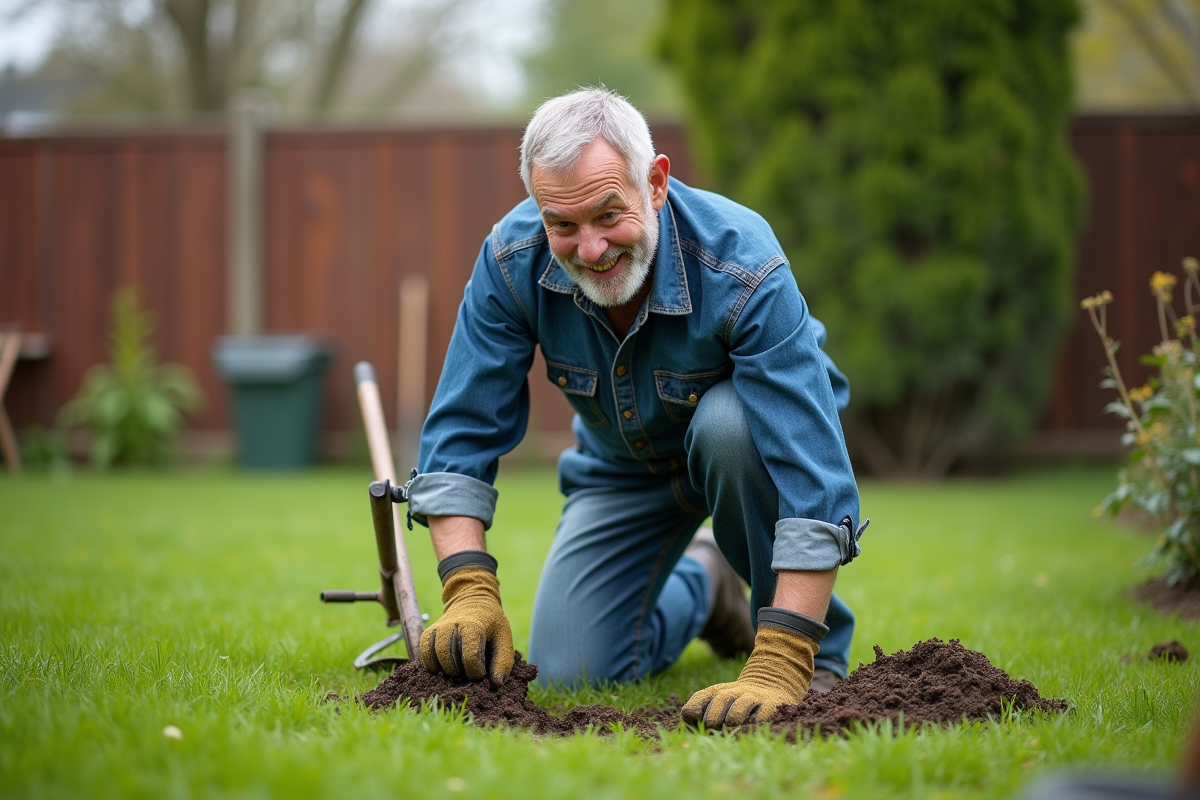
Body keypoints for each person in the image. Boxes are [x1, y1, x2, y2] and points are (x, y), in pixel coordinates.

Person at [406, 88, 864, 729]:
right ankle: (706, 589)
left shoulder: (742, 262)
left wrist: (781, 661)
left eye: (607, 215)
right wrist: (467, 588)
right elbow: (459, 434)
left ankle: (808, 654)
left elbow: (813, 479)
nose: (589, 250)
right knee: (572, 669)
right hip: (623, 466)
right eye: (562, 225)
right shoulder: (511, 262)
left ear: (654, 183)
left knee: (728, 426)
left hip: (751, 447)